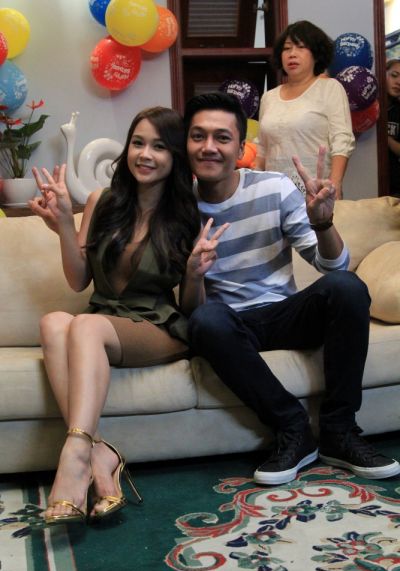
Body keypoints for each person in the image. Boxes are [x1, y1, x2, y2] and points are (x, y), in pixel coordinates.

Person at [183, 91, 400, 486]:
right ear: (186, 144)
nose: (209, 146)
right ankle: (294, 429)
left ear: (241, 148)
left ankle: (339, 431)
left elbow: (331, 265)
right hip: (231, 326)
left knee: (347, 287)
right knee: (205, 320)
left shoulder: (273, 188)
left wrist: (323, 223)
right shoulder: (178, 207)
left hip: (284, 314)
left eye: (222, 137)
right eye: (198, 136)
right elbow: (189, 309)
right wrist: (194, 274)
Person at [29, 106, 217, 524]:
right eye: (138, 143)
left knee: (84, 324)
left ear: (174, 157)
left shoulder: (187, 214)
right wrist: (65, 223)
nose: (145, 154)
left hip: (158, 324)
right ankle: (99, 455)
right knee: (53, 322)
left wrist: (194, 273)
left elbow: (192, 309)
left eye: (159, 147)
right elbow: (78, 280)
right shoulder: (102, 201)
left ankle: (75, 457)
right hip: (103, 320)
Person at [255, 20, 355, 200]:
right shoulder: (269, 97)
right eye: (287, 48)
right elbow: (262, 148)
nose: (292, 54)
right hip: (273, 194)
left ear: (316, 54)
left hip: (316, 193)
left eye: (301, 47)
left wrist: (334, 186)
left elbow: (342, 140)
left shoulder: (330, 88)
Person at [387, 58, 400, 197]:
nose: (399, 82)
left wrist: (386, 139)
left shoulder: (398, 110)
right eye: (394, 75)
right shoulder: (371, 106)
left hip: (396, 188)